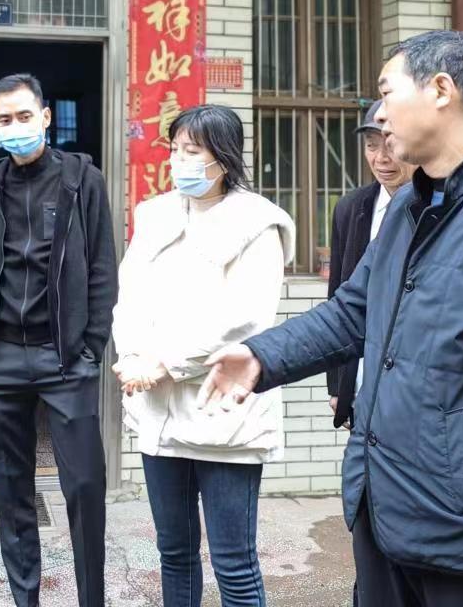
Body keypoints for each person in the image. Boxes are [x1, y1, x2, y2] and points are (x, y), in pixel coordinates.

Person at [198, 31, 463, 607]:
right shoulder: (410, 204)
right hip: (384, 508)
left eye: (387, 93)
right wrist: (262, 356)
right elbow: (354, 311)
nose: (379, 115)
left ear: (441, 90)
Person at [112, 104, 294, 607]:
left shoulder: (258, 223)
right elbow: (129, 296)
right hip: (159, 411)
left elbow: (244, 320)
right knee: (173, 553)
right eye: (175, 150)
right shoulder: (155, 215)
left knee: (234, 563)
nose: (180, 161)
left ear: (223, 157)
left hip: (224, 415)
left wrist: (164, 363)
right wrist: (132, 356)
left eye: (192, 151)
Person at [0, 73, 119, 607]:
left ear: (45, 117)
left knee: (85, 486)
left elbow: (102, 266)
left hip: (64, 356)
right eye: (5, 119)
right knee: (11, 489)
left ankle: (91, 598)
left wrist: (91, 346)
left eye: (25, 116)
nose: (16, 126)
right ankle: (24, 598)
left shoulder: (81, 180)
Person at [327, 100, 415, 432]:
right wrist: (338, 385)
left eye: (390, 145)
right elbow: (338, 297)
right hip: (362, 377)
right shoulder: (350, 208)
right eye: (371, 146)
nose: (381, 158)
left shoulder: (442, 207)